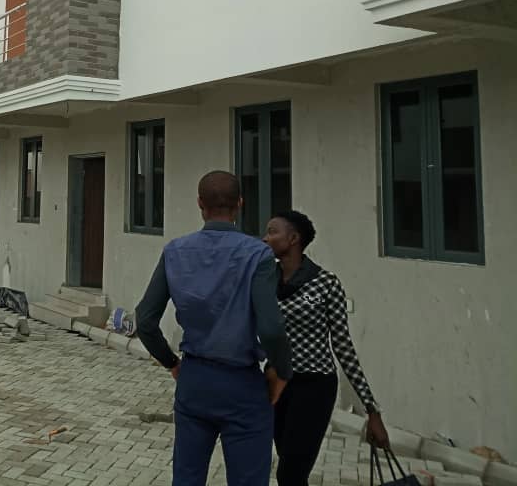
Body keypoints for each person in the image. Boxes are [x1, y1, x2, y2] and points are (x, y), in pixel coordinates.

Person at [136, 171, 293, 486]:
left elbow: (145, 320)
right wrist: (282, 371)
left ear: (199, 204)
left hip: (194, 380)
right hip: (243, 385)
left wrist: (172, 363)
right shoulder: (257, 254)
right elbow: (271, 329)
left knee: (187, 478)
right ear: (240, 204)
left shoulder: (175, 251)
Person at [263, 210, 390, 486]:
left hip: (314, 386)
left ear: (293, 238)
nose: (265, 238)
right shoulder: (265, 281)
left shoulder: (325, 283)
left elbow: (343, 346)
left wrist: (371, 409)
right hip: (276, 384)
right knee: (289, 464)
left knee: (290, 473)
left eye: (272, 232)